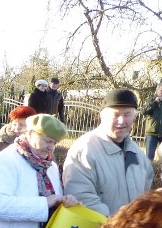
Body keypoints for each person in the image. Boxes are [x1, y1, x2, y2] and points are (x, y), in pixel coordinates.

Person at [62, 88, 152, 216]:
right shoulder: (84, 149)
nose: (121, 121)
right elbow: (81, 197)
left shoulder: (139, 154)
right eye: (115, 115)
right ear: (102, 116)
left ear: (134, 117)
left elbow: (145, 196)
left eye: (127, 115)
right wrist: (114, 227)